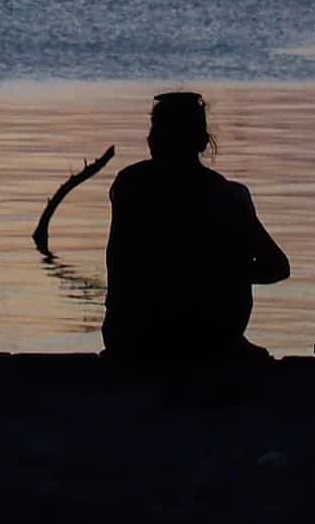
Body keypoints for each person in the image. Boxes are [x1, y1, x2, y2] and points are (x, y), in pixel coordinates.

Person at [102, 90, 288, 370]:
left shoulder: (129, 186)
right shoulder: (230, 196)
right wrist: (224, 271)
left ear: (154, 140)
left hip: (131, 337)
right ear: (203, 141)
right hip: (207, 339)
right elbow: (276, 267)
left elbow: (119, 264)